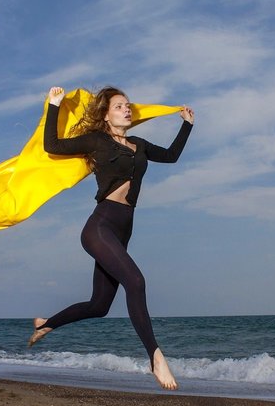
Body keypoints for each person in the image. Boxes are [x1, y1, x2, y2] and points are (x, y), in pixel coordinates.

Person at [29, 86, 194, 390]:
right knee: (136, 282)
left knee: (100, 305)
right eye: (119, 106)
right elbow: (51, 145)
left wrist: (186, 125)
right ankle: (155, 357)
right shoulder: (96, 141)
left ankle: (47, 323)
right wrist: (54, 104)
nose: (127, 109)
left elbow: (170, 156)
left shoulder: (139, 144)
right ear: (106, 114)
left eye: (128, 106)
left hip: (122, 230)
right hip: (100, 228)